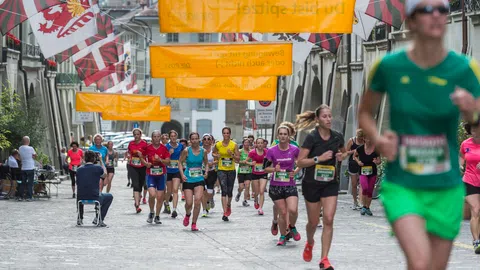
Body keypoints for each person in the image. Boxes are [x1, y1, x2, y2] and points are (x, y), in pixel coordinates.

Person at [358, 0, 480, 268]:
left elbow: (476, 116)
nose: (436, 15)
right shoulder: (388, 66)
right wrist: (377, 140)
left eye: (442, 9)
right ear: (411, 21)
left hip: (445, 187)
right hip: (404, 184)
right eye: (427, 9)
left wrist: (472, 111)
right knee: (420, 261)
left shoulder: (464, 68)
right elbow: (365, 112)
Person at [296, 105, 348, 269]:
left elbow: (343, 152)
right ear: (317, 120)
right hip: (311, 184)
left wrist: (341, 156)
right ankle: (310, 242)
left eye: (330, 116)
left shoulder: (337, 137)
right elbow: (300, 162)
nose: (329, 119)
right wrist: (319, 159)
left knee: (329, 219)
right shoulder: (311, 138)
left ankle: (324, 259)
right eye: (325, 116)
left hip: (330, 183)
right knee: (313, 222)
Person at [265, 126, 301, 246]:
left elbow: (301, 163)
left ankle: (292, 226)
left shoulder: (295, 149)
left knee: (293, 210)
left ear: (288, 136)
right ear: (277, 136)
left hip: (290, 184)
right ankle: (282, 235)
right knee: (283, 212)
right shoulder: (271, 150)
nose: (283, 136)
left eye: (285, 134)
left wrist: (295, 171)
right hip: (276, 186)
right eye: (280, 134)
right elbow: (265, 168)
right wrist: (274, 169)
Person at [179, 132, 208, 231]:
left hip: (199, 179)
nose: (195, 141)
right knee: (189, 203)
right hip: (188, 179)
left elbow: (206, 163)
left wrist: (206, 172)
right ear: (190, 140)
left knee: (197, 201)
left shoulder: (203, 151)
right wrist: (182, 175)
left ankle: (194, 223)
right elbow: (180, 162)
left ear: (199, 140)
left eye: (196, 139)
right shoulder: (186, 151)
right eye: (193, 139)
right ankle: (187, 214)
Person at [76, 150, 113, 227]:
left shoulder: (79, 170)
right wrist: (101, 161)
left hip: (81, 197)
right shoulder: (98, 168)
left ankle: (80, 218)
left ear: (84, 159)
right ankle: (99, 218)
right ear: (94, 159)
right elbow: (104, 175)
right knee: (109, 196)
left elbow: (77, 182)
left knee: (80, 193)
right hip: (94, 196)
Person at [459, 123, 480, 253]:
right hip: (470, 180)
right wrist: (459, 166)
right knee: (475, 209)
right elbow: (461, 158)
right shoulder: (465, 144)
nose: (476, 132)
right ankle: (476, 241)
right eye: (473, 130)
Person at [142, 130, 171, 224]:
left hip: (161, 175)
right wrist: (146, 164)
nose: (156, 138)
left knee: (159, 197)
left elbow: (168, 162)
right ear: (152, 138)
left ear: (160, 138)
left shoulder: (164, 148)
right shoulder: (148, 147)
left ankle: (157, 216)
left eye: (158, 136)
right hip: (150, 174)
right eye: (154, 136)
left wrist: (160, 160)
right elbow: (141, 157)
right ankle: (151, 212)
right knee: (152, 194)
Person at [214, 127, 240, 222]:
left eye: (227, 133)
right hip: (221, 169)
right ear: (222, 134)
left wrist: (232, 154)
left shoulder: (234, 145)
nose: (226, 135)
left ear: (230, 134)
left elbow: (238, 159)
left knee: (229, 191)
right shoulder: (218, 144)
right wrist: (217, 156)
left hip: (231, 170)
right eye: (224, 133)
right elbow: (213, 153)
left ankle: (228, 204)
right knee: (223, 190)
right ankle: (224, 212)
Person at [352, 136, 381, 216]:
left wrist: (376, 161)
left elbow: (379, 161)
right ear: (364, 139)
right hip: (363, 171)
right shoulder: (360, 148)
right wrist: (358, 162)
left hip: (372, 172)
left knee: (370, 190)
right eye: (367, 138)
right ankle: (364, 206)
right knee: (365, 187)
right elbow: (354, 156)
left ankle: (367, 207)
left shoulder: (376, 149)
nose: (369, 140)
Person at [127, 128, 148, 213]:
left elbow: (147, 154)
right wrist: (128, 156)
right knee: (135, 184)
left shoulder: (144, 144)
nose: (136, 136)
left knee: (140, 184)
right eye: (135, 134)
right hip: (133, 166)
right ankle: (137, 205)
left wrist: (141, 155)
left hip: (142, 166)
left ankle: (138, 199)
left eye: (138, 134)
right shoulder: (131, 143)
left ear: (140, 135)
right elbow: (129, 151)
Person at [165, 130, 184, 218]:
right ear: (169, 137)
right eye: (171, 136)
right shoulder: (166, 146)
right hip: (168, 171)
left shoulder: (181, 146)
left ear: (176, 137)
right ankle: (166, 203)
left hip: (177, 170)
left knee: (175, 189)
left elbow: (184, 156)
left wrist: (181, 160)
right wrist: (169, 153)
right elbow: (164, 159)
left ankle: (174, 209)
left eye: (174, 136)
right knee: (169, 191)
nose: (173, 138)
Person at [248, 138, 268, 215]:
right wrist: (251, 163)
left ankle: (260, 208)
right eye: (258, 143)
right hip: (255, 174)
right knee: (256, 192)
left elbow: (271, 160)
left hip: (263, 173)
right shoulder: (252, 152)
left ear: (263, 144)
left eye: (261, 143)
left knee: (262, 191)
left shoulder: (267, 151)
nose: (260, 144)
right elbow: (246, 161)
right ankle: (256, 199)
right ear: (256, 144)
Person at [346, 129, 365, 210]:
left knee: (362, 183)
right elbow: (346, 152)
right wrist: (354, 151)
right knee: (354, 184)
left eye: (362, 138)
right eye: (359, 138)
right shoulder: (352, 140)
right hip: (353, 163)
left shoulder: (365, 141)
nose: (360, 140)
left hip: (363, 164)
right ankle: (355, 202)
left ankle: (361, 202)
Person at [201, 133, 218, 216]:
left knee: (209, 192)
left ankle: (210, 198)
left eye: (209, 139)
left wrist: (212, 163)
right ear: (202, 141)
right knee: (203, 191)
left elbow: (218, 159)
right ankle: (204, 210)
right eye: (205, 139)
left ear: (211, 141)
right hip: (202, 172)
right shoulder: (200, 150)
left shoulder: (214, 150)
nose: (207, 141)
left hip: (212, 172)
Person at [18, 136, 37, 201]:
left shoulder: (20, 148)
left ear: (23, 141)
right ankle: (29, 197)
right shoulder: (31, 148)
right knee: (30, 183)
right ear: (28, 141)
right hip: (30, 167)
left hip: (23, 168)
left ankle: (20, 197)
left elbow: (19, 156)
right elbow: (35, 156)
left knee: (23, 183)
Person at [235, 138, 252, 208]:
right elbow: (236, 161)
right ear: (243, 143)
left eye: (248, 143)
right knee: (241, 187)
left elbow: (253, 161)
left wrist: (249, 163)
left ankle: (245, 200)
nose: (247, 144)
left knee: (247, 186)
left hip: (248, 171)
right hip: (241, 171)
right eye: (245, 142)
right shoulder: (240, 151)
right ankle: (239, 193)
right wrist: (242, 162)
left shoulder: (251, 152)